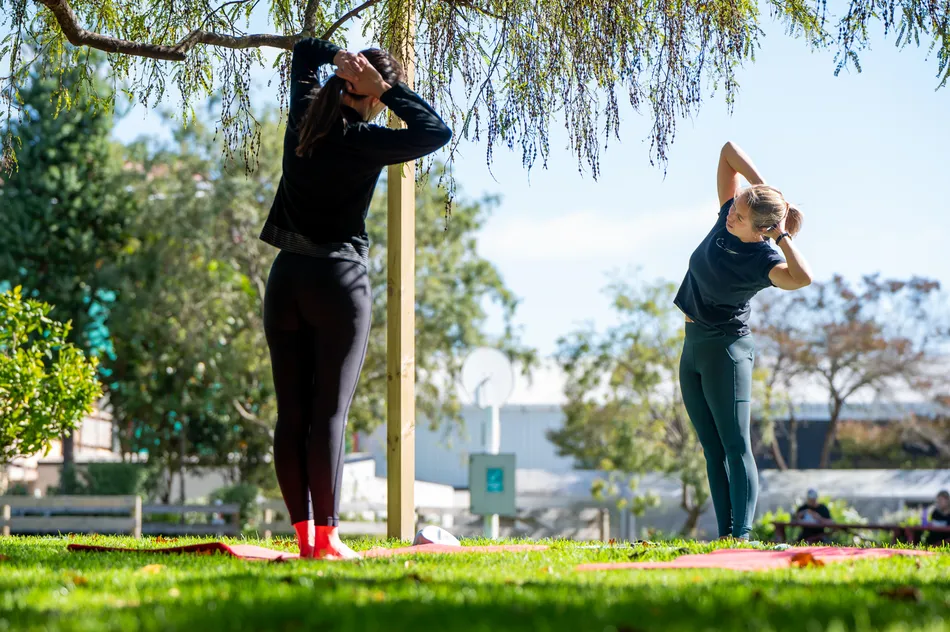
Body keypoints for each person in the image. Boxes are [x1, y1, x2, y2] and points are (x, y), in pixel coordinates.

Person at [260, 38, 452, 559]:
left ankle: (305, 538)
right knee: (328, 414)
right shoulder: (365, 140)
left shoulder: (304, 118)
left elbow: (304, 53)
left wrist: (337, 57)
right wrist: (386, 89)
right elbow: (435, 132)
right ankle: (327, 539)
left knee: (291, 414)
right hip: (338, 282)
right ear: (368, 94)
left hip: (286, 279)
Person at [675, 141, 814, 540]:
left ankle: (743, 535)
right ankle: (725, 537)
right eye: (733, 208)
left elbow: (802, 278)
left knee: (735, 447)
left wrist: (781, 234)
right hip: (693, 345)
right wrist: (763, 189)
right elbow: (728, 151)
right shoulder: (728, 217)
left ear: (761, 231)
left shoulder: (764, 260)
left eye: (739, 215)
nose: (730, 215)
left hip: (726, 350)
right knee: (711, 450)